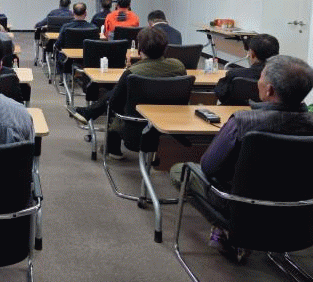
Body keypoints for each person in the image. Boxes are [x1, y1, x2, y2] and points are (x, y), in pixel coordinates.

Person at [172, 55, 313, 260]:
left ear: (269, 90)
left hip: (240, 205)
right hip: (299, 208)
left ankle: (226, 229)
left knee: (181, 170)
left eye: (261, 76)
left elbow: (208, 167)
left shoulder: (243, 122)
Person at [76, 26, 186, 158]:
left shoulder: (132, 72)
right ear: (165, 48)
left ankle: (110, 145)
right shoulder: (178, 66)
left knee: (112, 98)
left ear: (140, 49)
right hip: (170, 123)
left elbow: (114, 104)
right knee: (114, 95)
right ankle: (88, 113)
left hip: (135, 125)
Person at [214, 33, 279, 104]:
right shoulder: (283, 77)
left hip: (237, 110)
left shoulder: (234, 74)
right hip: (270, 110)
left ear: (252, 54)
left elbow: (220, 94)